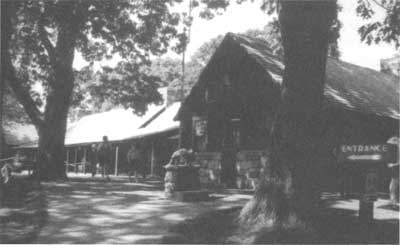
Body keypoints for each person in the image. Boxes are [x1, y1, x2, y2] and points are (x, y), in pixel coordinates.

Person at [387, 136, 399, 204]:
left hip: (397, 170)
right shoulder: (397, 148)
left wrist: (392, 165)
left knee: (393, 187)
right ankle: (393, 201)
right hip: (396, 171)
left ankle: (393, 202)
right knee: (392, 187)